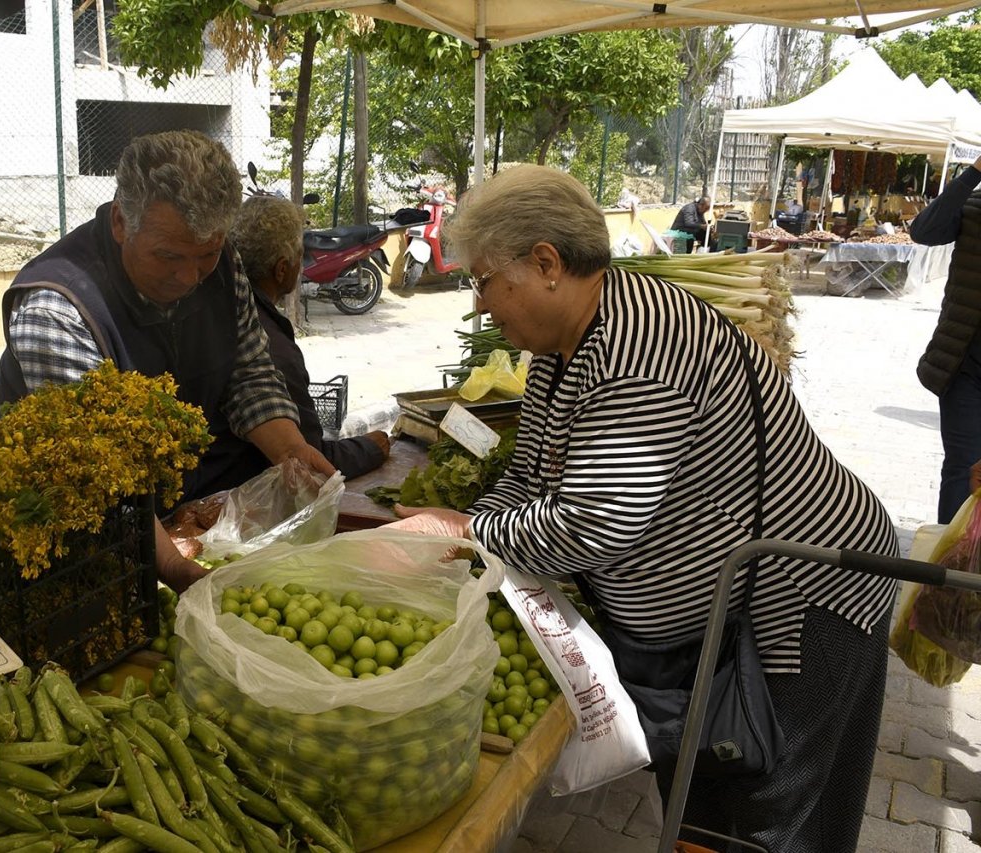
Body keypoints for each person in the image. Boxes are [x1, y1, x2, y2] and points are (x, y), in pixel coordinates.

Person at [385, 163, 899, 853]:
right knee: (702, 804)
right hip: (714, 616)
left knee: (761, 818)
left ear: (545, 263)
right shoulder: (559, 350)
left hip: (798, 596)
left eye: (483, 280)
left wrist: (472, 531)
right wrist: (466, 540)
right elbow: (530, 481)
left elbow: (599, 518)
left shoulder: (639, 344)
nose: (480, 305)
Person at [0, 130, 335, 592]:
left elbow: (248, 374)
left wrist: (290, 452)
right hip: (54, 533)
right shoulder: (57, 310)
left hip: (160, 510)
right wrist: (171, 567)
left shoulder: (224, 264)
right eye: (168, 256)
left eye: (205, 255)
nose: (189, 277)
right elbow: (100, 474)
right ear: (119, 222)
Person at [228, 195, 391, 478]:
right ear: (282, 269)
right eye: (299, 256)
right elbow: (307, 456)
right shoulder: (271, 348)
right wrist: (370, 448)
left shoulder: (236, 317)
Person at [910, 153, 981, 524]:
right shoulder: (972, 204)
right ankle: (948, 575)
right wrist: (973, 173)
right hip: (965, 367)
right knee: (962, 469)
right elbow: (924, 231)